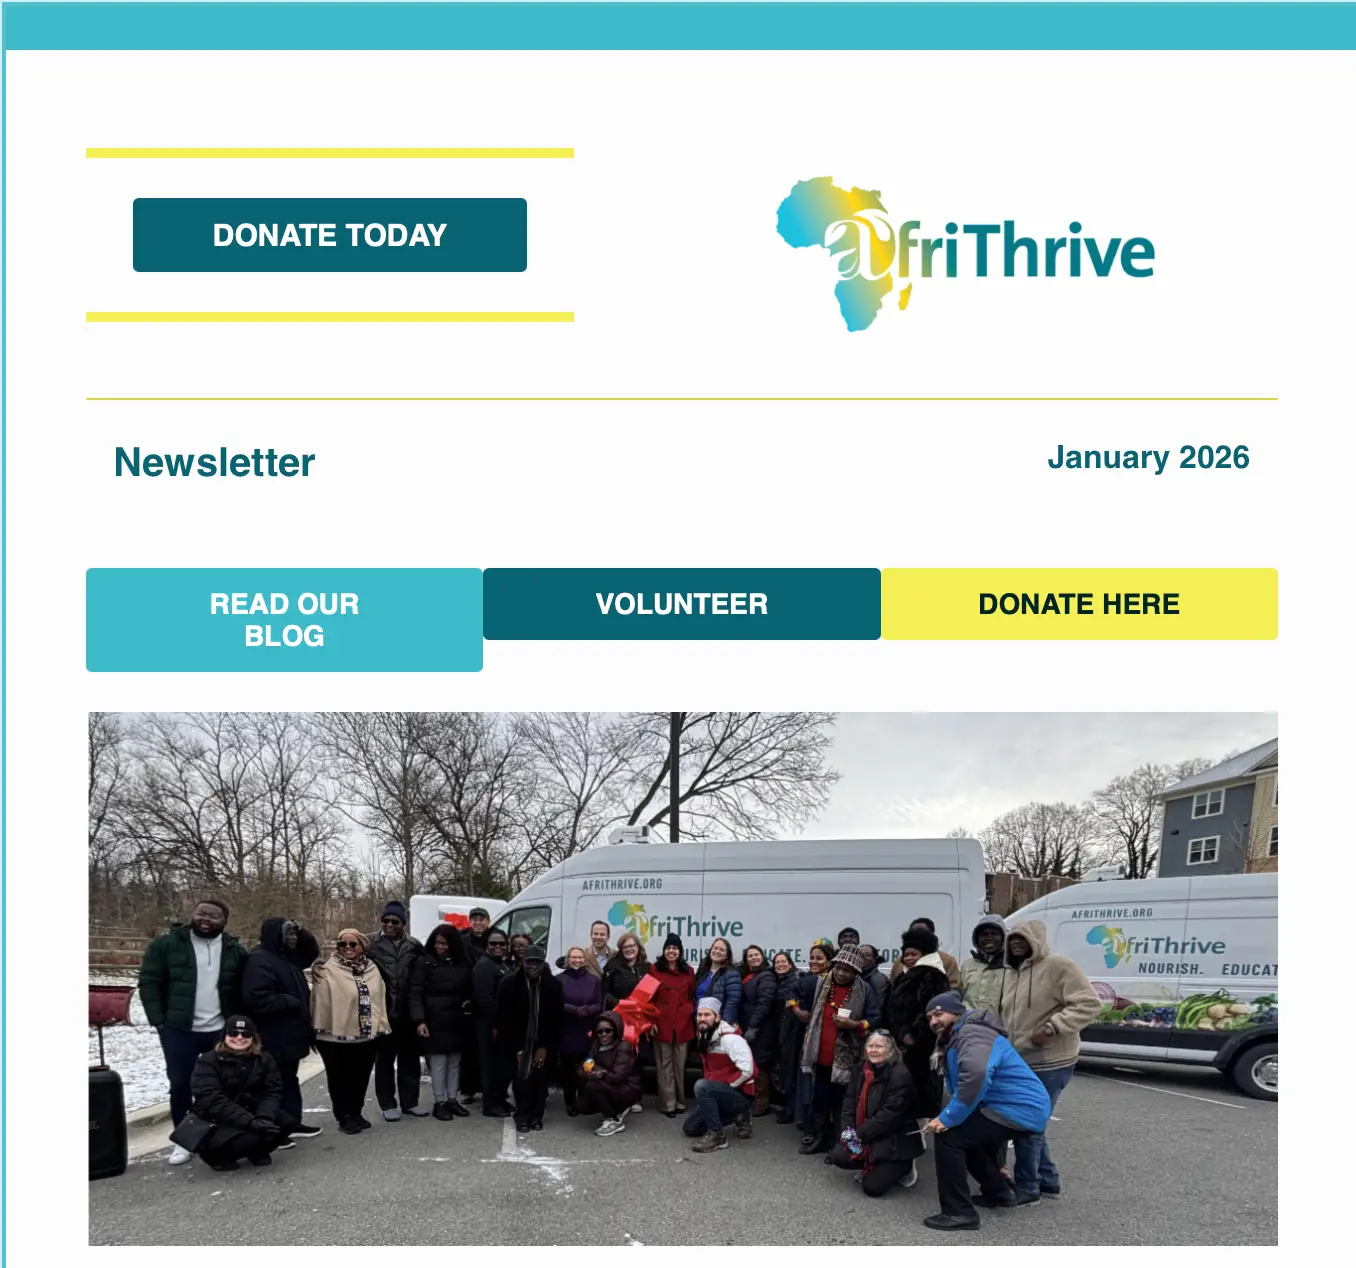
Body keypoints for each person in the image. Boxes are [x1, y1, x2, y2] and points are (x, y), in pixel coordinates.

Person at [922, 992, 1051, 1231]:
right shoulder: (957, 1036)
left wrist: (947, 1118)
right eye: (930, 1017)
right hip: (1011, 1107)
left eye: (938, 1014)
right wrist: (948, 1116)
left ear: (957, 1012)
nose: (933, 1022)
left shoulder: (972, 1033)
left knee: (949, 1137)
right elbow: (964, 1087)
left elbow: (976, 1075)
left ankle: (959, 1213)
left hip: (1018, 1108)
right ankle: (998, 1193)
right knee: (961, 1134)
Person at [138, 898, 248, 1163]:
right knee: (181, 1084)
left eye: (213, 916)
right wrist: (159, 1021)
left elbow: (241, 988)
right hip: (179, 1029)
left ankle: (225, 1133)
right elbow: (149, 981)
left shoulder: (234, 950)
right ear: (193, 915)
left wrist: (239, 1022)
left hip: (220, 1029)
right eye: (201, 914)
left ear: (224, 921)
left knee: (227, 1083)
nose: (206, 919)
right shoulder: (167, 944)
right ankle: (185, 1140)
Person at [1000, 919, 1100, 1202]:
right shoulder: (1013, 972)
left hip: (1052, 1060)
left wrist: (1053, 1026)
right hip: (1023, 1059)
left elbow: (1090, 1003)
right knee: (1034, 1121)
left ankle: (1027, 1187)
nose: (1016, 944)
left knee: (1027, 1123)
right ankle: (1048, 1181)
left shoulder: (1059, 966)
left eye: (1022, 939)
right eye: (1013, 939)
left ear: (1037, 940)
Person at [240, 916, 323, 1138]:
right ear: (276, 935)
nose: (294, 938)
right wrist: (292, 1001)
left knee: (288, 1079)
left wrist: (302, 930)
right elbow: (257, 998)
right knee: (272, 1085)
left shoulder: (286, 957)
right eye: (289, 934)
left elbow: (310, 952)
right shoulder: (259, 960)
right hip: (273, 1034)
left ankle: (292, 1123)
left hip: (290, 1035)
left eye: (295, 934)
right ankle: (274, 1130)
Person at [798, 945, 879, 1155]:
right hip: (821, 1057)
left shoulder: (865, 990)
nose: (842, 973)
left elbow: (875, 1018)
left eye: (848, 970)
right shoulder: (821, 984)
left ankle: (839, 1145)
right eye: (839, 968)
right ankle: (820, 1139)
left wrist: (855, 1026)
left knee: (841, 1104)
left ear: (856, 972)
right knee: (820, 1100)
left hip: (847, 1060)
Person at [184, 1015, 289, 1172]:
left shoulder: (264, 1059)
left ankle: (258, 1151)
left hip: (251, 1113)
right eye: (233, 1033)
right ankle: (218, 1158)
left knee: (285, 1123)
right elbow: (212, 1101)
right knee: (250, 1138)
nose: (239, 1038)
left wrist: (264, 1118)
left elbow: (272, 1091)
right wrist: (251, 1122)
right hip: (218, 1120)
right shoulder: (207, 1062)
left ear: (253, 1038)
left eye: (246, 1034)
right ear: (224, 1036)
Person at [310, 928, 390, 1134]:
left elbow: (379, 998)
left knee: (361, 1076)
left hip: (366, 1035)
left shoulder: (372, 968)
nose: (347, 948)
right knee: (339, 1078)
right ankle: (343, 1116)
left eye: (352, 944)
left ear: (362, 946)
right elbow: (318, 1000)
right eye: (342, 944)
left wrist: (381, 1024)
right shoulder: (326, 969)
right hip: (334, 1036)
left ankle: (356, 1112)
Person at [828, 1030, 924, 1196]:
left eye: (879, 1046)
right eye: (870, 1046)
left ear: (890, 1050)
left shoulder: (900, 1074)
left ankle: (905, 1165)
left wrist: (857, 1136)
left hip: (893, 1137)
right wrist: (848, 1133)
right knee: (839, 1155)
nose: (873, 1050)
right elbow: (849, 1104)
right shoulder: (860, 1069)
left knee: (872, 1188)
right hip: (867, 1132)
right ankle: (869, 1160)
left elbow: (889, 1117)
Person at [408, 922, 474, 1121]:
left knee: (455, 1062)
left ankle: (452, 1100)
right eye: (437, 943)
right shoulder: (424, 962)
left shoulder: (463, 963)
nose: (440, 947)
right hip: (434, 1019)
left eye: (444, 944)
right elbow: (415, 993)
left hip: (457, 1019)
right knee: (438, 1063)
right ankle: (439, 1102)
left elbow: (469, 989)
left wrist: (469, 1003)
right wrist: (419, 1020)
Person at [367, 901, 426, 1120]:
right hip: (383, 1010)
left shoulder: (414, 945)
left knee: (409, 1059)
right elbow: (347, 957)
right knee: (384, 1060)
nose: (389, 925)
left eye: (395, 921)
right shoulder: (369, 942)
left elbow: (422, 976)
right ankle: (387, 1103)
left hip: (408, 1011)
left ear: (402, 923)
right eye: (386, 920)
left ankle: (410, 1101)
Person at [884, 926, 951, 1118]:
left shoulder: (931, 975)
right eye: (906, 954)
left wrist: (912, 1034)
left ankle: (923, 1132)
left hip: (922, 1045)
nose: (909, 958)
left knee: (922, 1090)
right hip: (903, 1043)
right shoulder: (906, 975)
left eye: (914, 954)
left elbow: (932, 1011)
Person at [497, 945, 564, 1132]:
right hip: (518, 1041)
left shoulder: (553, 985)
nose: (533, 966)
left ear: (544, 964)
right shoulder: (508, 984)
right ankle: (522, 1116)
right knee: (522, 1080)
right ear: (522, 963)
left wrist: (544, 1046)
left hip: (544, 1041)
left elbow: (556, 1019)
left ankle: (537, 1116)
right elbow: (504, 1020)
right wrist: (518, 1048)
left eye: (537, 962)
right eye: (529, 962)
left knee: (541, 1080)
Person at [683, 998, 757, 1152]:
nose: (702, 1019)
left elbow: (749, 1071)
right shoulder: (704, 1034)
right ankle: (738, 1116)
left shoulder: (730, 1039)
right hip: (720, 1092)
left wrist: (726, 1085)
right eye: (699, 1015)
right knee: (690, 1128)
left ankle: (718, 1136)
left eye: (707, 1015)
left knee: (702, 1086)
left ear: (717, 1017)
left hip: (740, 1094)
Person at [647, 933, 696, 1117]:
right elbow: (648, 998)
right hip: (661, 1023)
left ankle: (681, 1102)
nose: (671, 951)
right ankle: (668, 1104)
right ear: (664, 950)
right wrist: (651, 1021)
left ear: (680, 951)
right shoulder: (654, 970)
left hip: (682, 1024)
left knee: (680, 1066)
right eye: (668, 948)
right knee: (663, 1065)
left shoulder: (689, 971)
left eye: (675, 948)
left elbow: (691, 995)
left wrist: (689, 1011)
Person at [576, 1010, 642, 1137]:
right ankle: (615, 1110)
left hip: (627, 1089)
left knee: (592, 1086)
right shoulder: (595, 1047)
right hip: (608, 1084)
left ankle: (613, 1119)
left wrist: (601, 1074)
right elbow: (581, 1067)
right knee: (581, 1105)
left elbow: (619, 1076)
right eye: (599, 1032)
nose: (603, 1035)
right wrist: (588, 1073)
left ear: (615, 1031)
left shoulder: (623, 1047)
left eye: (608, 1031)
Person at [472, 928, 514, 1117]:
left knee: (500, 1065)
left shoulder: (501, 965)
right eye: (493, 943)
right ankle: (490, 1105)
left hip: (503, 1023)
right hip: (489, 1025)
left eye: (502, 944)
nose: (498, 947)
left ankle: (499, 1099)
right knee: (489, 1066)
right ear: (487, 945)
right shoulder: (484, 966)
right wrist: (495, 1025)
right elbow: (485, 999)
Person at [557, 946, 604, 1115]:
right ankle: (570, 1102)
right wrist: (573, 1010)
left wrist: (587, 1011)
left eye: (580, 957)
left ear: (585, 960)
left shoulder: (593, 980)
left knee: (587, 1067)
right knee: (568, 1069)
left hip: (587, 1030)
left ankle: (585, 1101)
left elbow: (600, 1004)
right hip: (567, 1030)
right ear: (568, 959)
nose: (577, 960)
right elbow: (555, 1003)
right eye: (573, 957)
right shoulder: (559, 980)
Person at [458, 906, 493, 1103]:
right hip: (468, 998)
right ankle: (468, 1089)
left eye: (482, 919)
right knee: (469, 1047)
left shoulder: (495, 938)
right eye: (475, 919)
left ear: (488, 921)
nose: (478, 923)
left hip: (489, 997)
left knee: (490, 1048)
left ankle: (491, 1087)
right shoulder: (462, 941)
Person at [738, 945, 777, 1117]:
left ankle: (762, 1102)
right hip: (750, 1025)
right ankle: (756, 1098)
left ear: (762, 957)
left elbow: (765, 1002)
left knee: (760, 1065)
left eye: (756, 955)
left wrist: (753, 1026)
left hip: (761, 1028)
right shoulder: (750, 976)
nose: (754, 958)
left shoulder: (766, 975)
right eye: (750, 956)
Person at [771, 951, 808, 1124]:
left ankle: (792, 1110)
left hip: (793, 1032)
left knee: (791, 1071)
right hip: (783, 1030)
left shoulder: (796, 979)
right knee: (786, 1070)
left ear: (790, 963)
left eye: (783, 962)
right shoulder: (780, 980)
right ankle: (791, 1107)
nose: (780, 965)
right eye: (777, 962)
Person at [891, 917, 962, 990]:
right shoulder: (900, 962)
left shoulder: (947, 960)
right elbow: (893, 987)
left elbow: (953, 987)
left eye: (922, 933)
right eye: (913, 933)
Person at [959, 915, 1009, 1015]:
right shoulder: (967, 965)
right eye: (984, 934)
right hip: (970, 1025)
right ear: (976, 939)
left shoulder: (1011, 964)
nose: (989, 938)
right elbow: (959, 995)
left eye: (994, 934)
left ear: (1004, 937)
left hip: (1001, 1027)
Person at [694, 936, 742, 1024]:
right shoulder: (703, 971)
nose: (717, 951)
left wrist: (724, 1024)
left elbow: (732, 1002)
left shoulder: (732, 973)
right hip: (701, 1021)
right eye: (715, 948)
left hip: (719, 1023)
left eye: (722, 950)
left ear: (727, 955)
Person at [601, 932, 649, 1008]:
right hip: (619, 1011)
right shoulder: (612, 966)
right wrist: (621, 1003)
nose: (629, 949)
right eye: (625, 947)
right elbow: (605, 993)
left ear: (638, 947)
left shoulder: (646, 967)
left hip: (641, 1012)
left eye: (631, 946)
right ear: (621, 950)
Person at [858, 944, 891, 1018]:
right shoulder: (858, 976)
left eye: (867, 955)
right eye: (860, 955)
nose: (863, 957)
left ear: (874, 959)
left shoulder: (878, 979)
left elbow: (879, 1008)